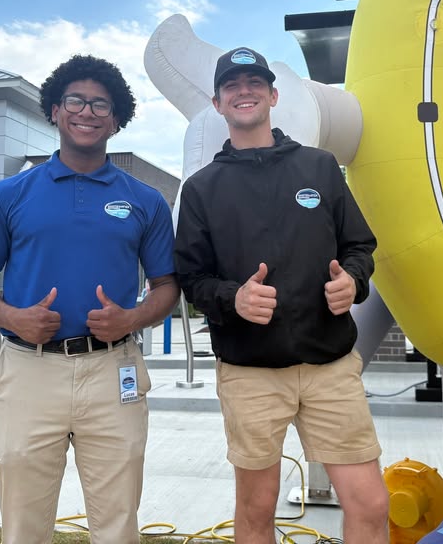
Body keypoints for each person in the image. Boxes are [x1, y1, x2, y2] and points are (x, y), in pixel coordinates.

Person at [0, 54, 180, 544]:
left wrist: (131, 319)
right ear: (55, 111)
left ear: (117, 120)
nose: (87, 112)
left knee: (118, 524)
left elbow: (167, 286)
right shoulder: (7, 195)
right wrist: (12, 316)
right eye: (75, 100)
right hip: (28, 370)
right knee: (24, 525)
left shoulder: (145, 201)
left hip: (113, 369)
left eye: (102, 105)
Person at [173, 47, 390, 544]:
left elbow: (360, 246)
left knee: (371, 503)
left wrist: (352, 281)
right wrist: (233, 299)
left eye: (254, 82)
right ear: (217, 103)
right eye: (232, 85)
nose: (244, 91)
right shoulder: (202, 188)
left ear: (273, 96)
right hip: (249, 371)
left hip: (330, 365)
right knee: (256, 508)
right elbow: (191, 277)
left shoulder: (320, 168)